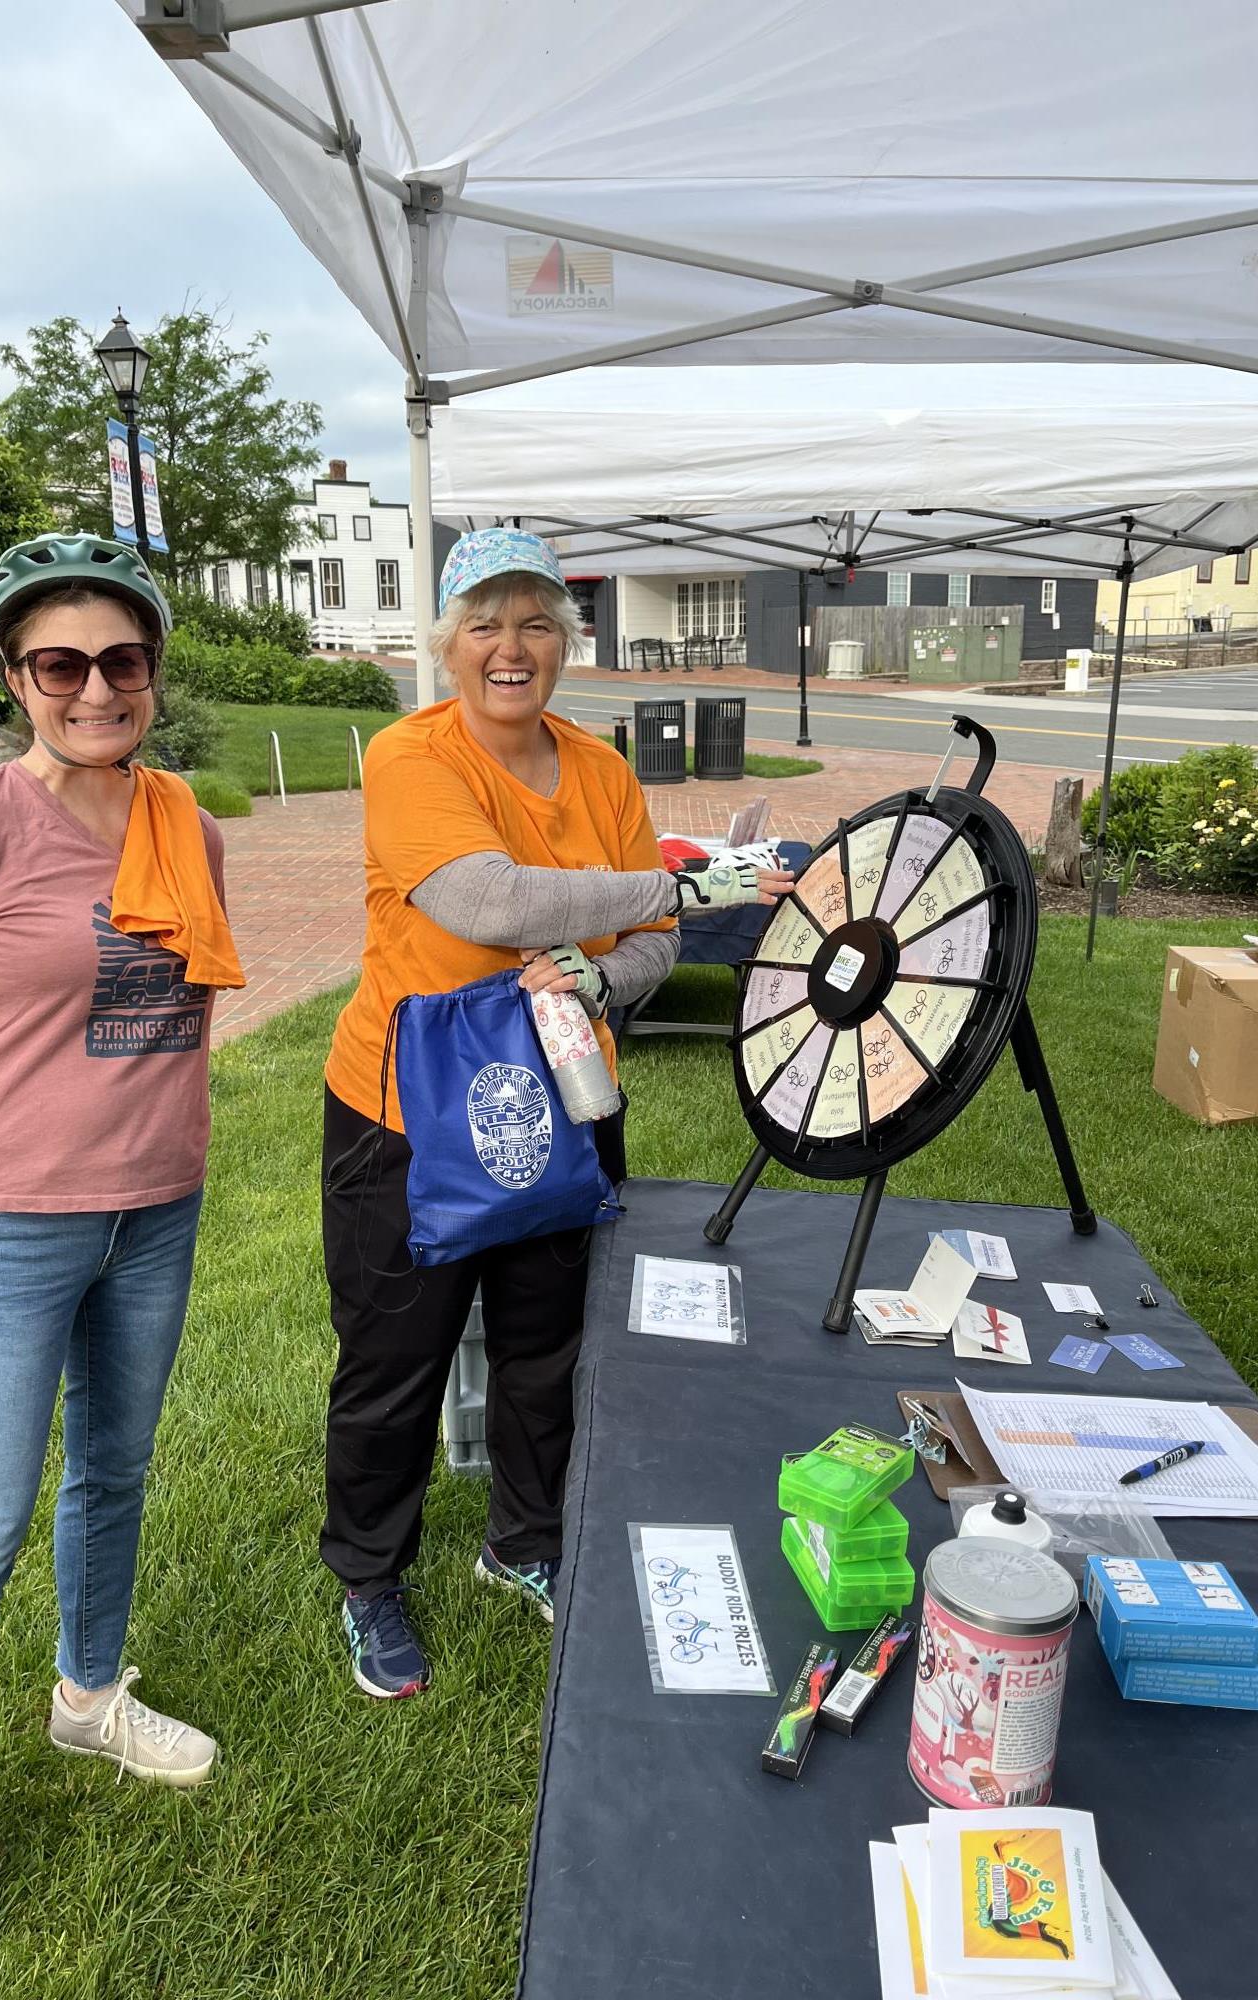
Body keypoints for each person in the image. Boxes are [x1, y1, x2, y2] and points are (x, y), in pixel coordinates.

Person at [0, 533, 244, 2000]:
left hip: (158, 1208)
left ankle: (87, 1697)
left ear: (151, 671)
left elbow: (178, 1004)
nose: (95, 686)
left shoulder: (183, 822)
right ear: (17, 677)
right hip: (7, 1225)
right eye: (60, 663)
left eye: (121, 660)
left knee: (115, 1475)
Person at [320, 527, 792, 1700]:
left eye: (536, 621)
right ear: (446, 642)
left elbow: (657, 942)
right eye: (483, 621)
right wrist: (678, 879)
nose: (510, 646)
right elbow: (486, 896)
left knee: (546, 1347)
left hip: (567, 1094)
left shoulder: (602, 769)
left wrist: (598, 975)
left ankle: (523, 1542)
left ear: (567, 643)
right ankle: (370, 1575)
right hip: (409, 1110)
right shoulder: (408, 756)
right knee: (395, 1358)